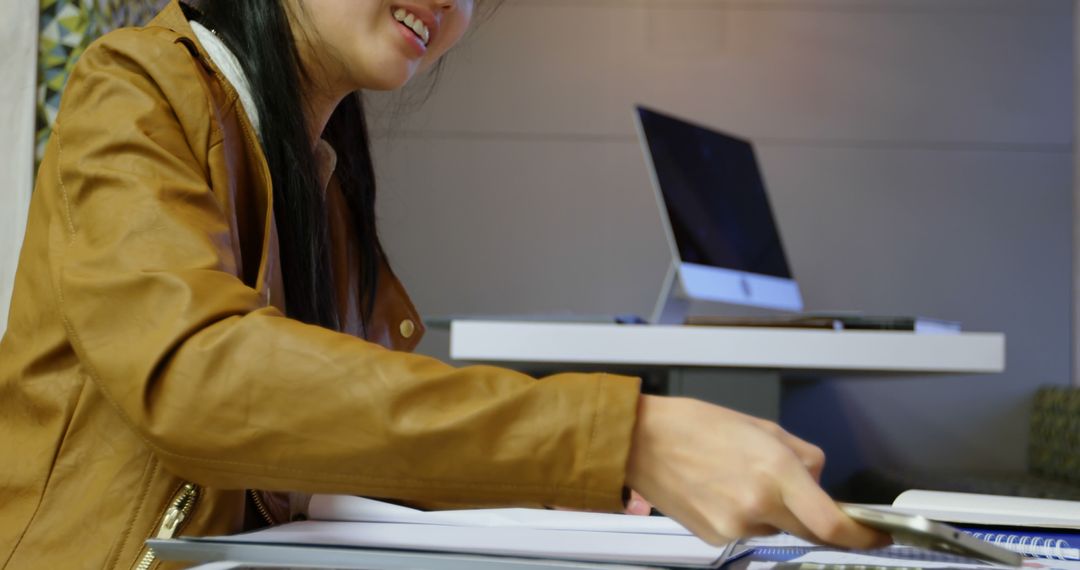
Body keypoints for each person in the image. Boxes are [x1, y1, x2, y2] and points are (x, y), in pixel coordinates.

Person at [0, 1, 886, 568]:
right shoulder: (136, 85)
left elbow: (341, 436)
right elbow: (197, 376)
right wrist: (622, 436)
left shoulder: (328, 183)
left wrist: (585, 482)